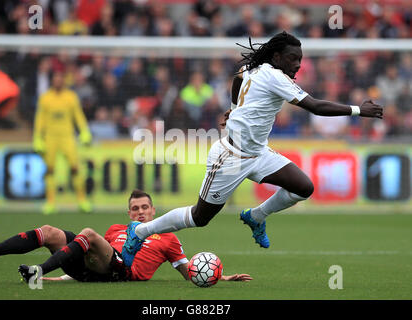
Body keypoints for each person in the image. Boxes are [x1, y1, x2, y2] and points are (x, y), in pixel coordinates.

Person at [121, 31, 384, 267]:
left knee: (304, 187)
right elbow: (315, 107)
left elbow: (237, 78)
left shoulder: (253, 66)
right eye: (293, 58)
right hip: (231, 157)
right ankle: (139, 232)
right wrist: (359, 110)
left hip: (258, 153)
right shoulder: (274, 77)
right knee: (200, 217)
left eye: (300, 59)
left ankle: (256, 216)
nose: (298, 64)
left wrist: (236, 109)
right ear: (278, 56)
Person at [0, 190, 252, 283]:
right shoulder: (115, 231)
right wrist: (62, 278)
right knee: (50, 232)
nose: (140, 212)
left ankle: (38, 273)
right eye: (135, 209)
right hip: (94, 269)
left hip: (122, 271)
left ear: (153, 211)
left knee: (87, 234)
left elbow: (185, 269)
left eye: (145, 208)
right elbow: (88, 254)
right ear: (129, 213)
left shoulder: (167, 237)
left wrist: (222, 277)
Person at [33, 71, 92, 215]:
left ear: (64, 80)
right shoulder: (45, 98)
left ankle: (82, 200)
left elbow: (78, 115)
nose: (58, 81)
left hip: (67, 136)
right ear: (52, 81)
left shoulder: (71, 97)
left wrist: (84, 131)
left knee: (75, 168)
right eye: (56, 78)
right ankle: (50, 202)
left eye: (60, 78)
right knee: (50, 170)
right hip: (50, 137)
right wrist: (38, 137)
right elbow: (40, 119)